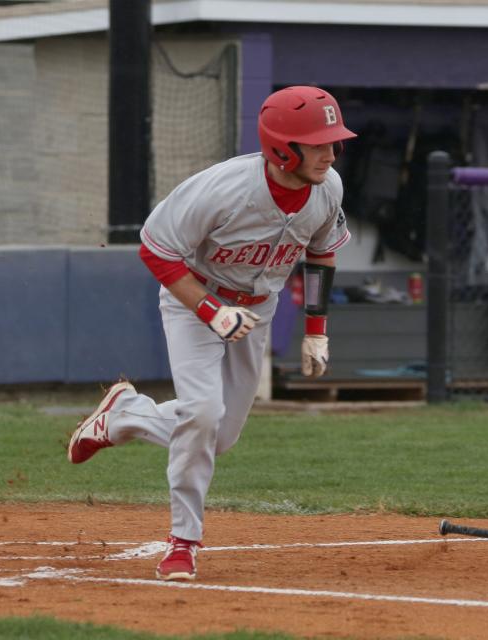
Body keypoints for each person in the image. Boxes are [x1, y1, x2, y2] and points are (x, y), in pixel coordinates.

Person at [66, 86, 356, 580]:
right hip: (193, 298)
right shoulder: (223, 189)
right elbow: (157, 251)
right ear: (283, 147)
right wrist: (208, 309)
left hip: (257, 310)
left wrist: (316, 330)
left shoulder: (328, 189)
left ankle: (124, 417)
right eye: (318, 142)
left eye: (334, 140)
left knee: (218, 436)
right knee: (200, 414)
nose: (331, 151)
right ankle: (183, 542)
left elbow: (322, 254)